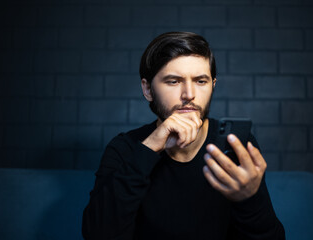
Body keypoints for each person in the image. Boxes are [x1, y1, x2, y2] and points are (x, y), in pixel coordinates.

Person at [82, 32, 285, 240]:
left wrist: (250, 199)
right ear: (147, 89)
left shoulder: (236, 146)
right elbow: (97, 234)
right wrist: (150, 148)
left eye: (200, 81)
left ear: (213, 86)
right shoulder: (124, 148)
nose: (189, 94)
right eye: (173, 81)